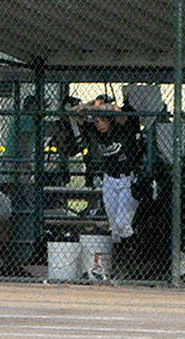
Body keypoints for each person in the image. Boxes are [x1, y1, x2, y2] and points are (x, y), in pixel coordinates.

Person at [75, 94, 144, 270]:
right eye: (96, 121)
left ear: (109, 120)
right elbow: (75, 114)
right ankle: (120, 265)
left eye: (101, 121)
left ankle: (135, 261)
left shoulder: (122, 128)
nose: (98, 124)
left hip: (127, 179)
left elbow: (116, 111)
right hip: (109, 180)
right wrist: (91, 104)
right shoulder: (97, 132)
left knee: (122, 224)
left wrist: (98, 107)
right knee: (114, 227)